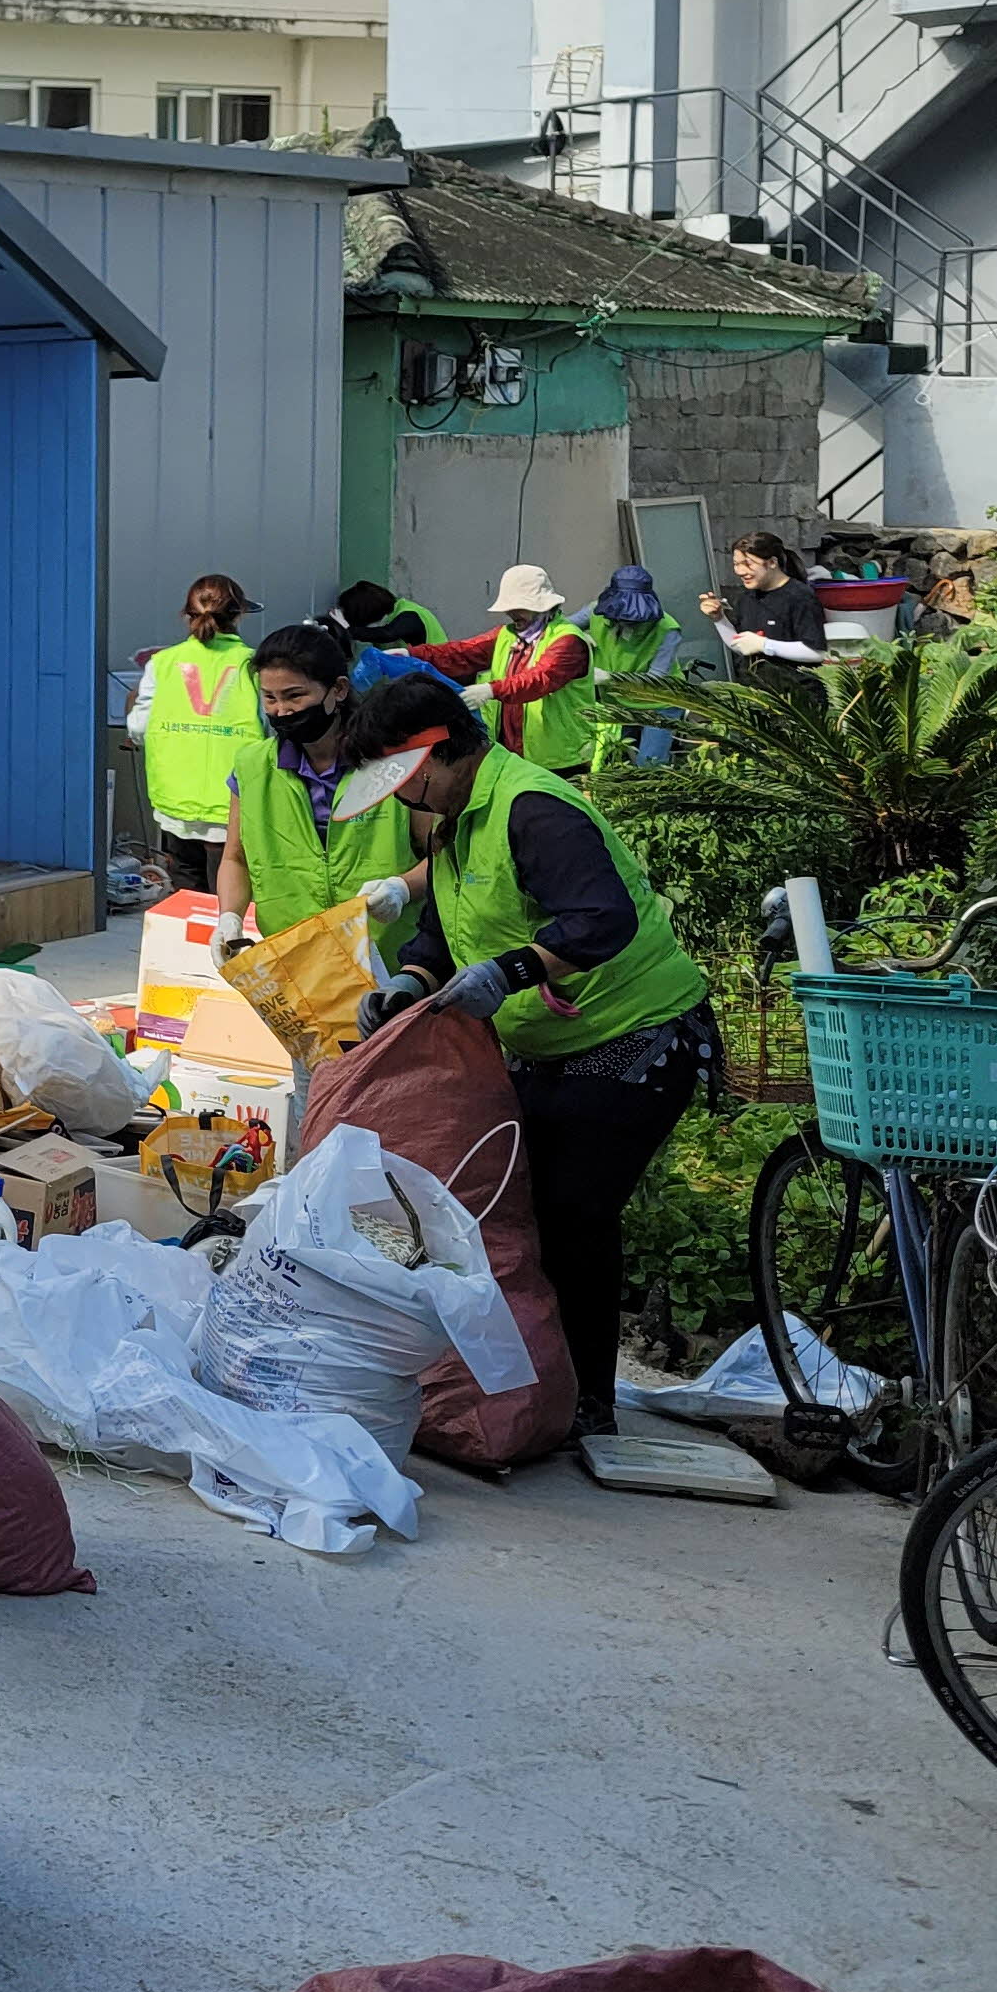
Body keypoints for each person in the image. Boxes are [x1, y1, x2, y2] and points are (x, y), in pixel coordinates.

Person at [337, 678, 718, 1439]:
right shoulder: (451, 821)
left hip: (637, 1034)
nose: (404, 802)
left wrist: (510, 972)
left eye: (406, 782)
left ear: (444, 750)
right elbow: (445, 931)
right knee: (518, 1211)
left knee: (575, 1211)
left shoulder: (532, 808)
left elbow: (600, 917)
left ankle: (588, 1401)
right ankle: (539, 1388)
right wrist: (409, 984)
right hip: (547, 1044)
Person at [215, 622, 423, 948]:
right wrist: (230, 917)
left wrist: (403, 887)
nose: (281, 710)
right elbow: (235, 858)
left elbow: (444, 856)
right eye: (269, 698)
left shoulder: (393, 762)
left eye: (294, 696)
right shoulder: (252, 767)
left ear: (338, 690)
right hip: (297, 958)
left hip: (386, 958)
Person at [395, 562, 598, 770]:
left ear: (541, 606)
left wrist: (490, 690)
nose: (511, 612)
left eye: (518, 607)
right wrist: (411, 653)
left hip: (562, 760)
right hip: (513, 755)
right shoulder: (508, 634)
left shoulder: (568, 641)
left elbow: (539, 679)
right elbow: (463, 652)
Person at [128, 574, 262, 869]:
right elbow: (273, 729)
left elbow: (138, 727)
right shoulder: (255, 665)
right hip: (235, 808)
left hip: (175, 807)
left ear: (187, 614)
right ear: (238, 616)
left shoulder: (162, 663)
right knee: (228, 904)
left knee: (187, 902)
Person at [581, 565, 685, 770]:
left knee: (649, 763)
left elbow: (655, 679)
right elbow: (560, 628)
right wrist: (577, 638)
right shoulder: (596, 613)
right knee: (620, 760)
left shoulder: (667, 629)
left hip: (660, 703)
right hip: (620, 702)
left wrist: (611, 678)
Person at [701, 530, 827, 691]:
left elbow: (816, 652)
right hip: (757, 694)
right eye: (736, 564)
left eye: (748, 564)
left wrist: (765, 645)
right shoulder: (747, 597)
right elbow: (741, 645)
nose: (740, 571)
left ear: (772, 562)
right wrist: (718, 619)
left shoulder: (800, 597)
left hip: (797, 699)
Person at [331, 579, 445, 651]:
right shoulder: (392, 615)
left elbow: (387, 634)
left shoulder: (409, 615)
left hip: (438, 678)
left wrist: (350, 630)